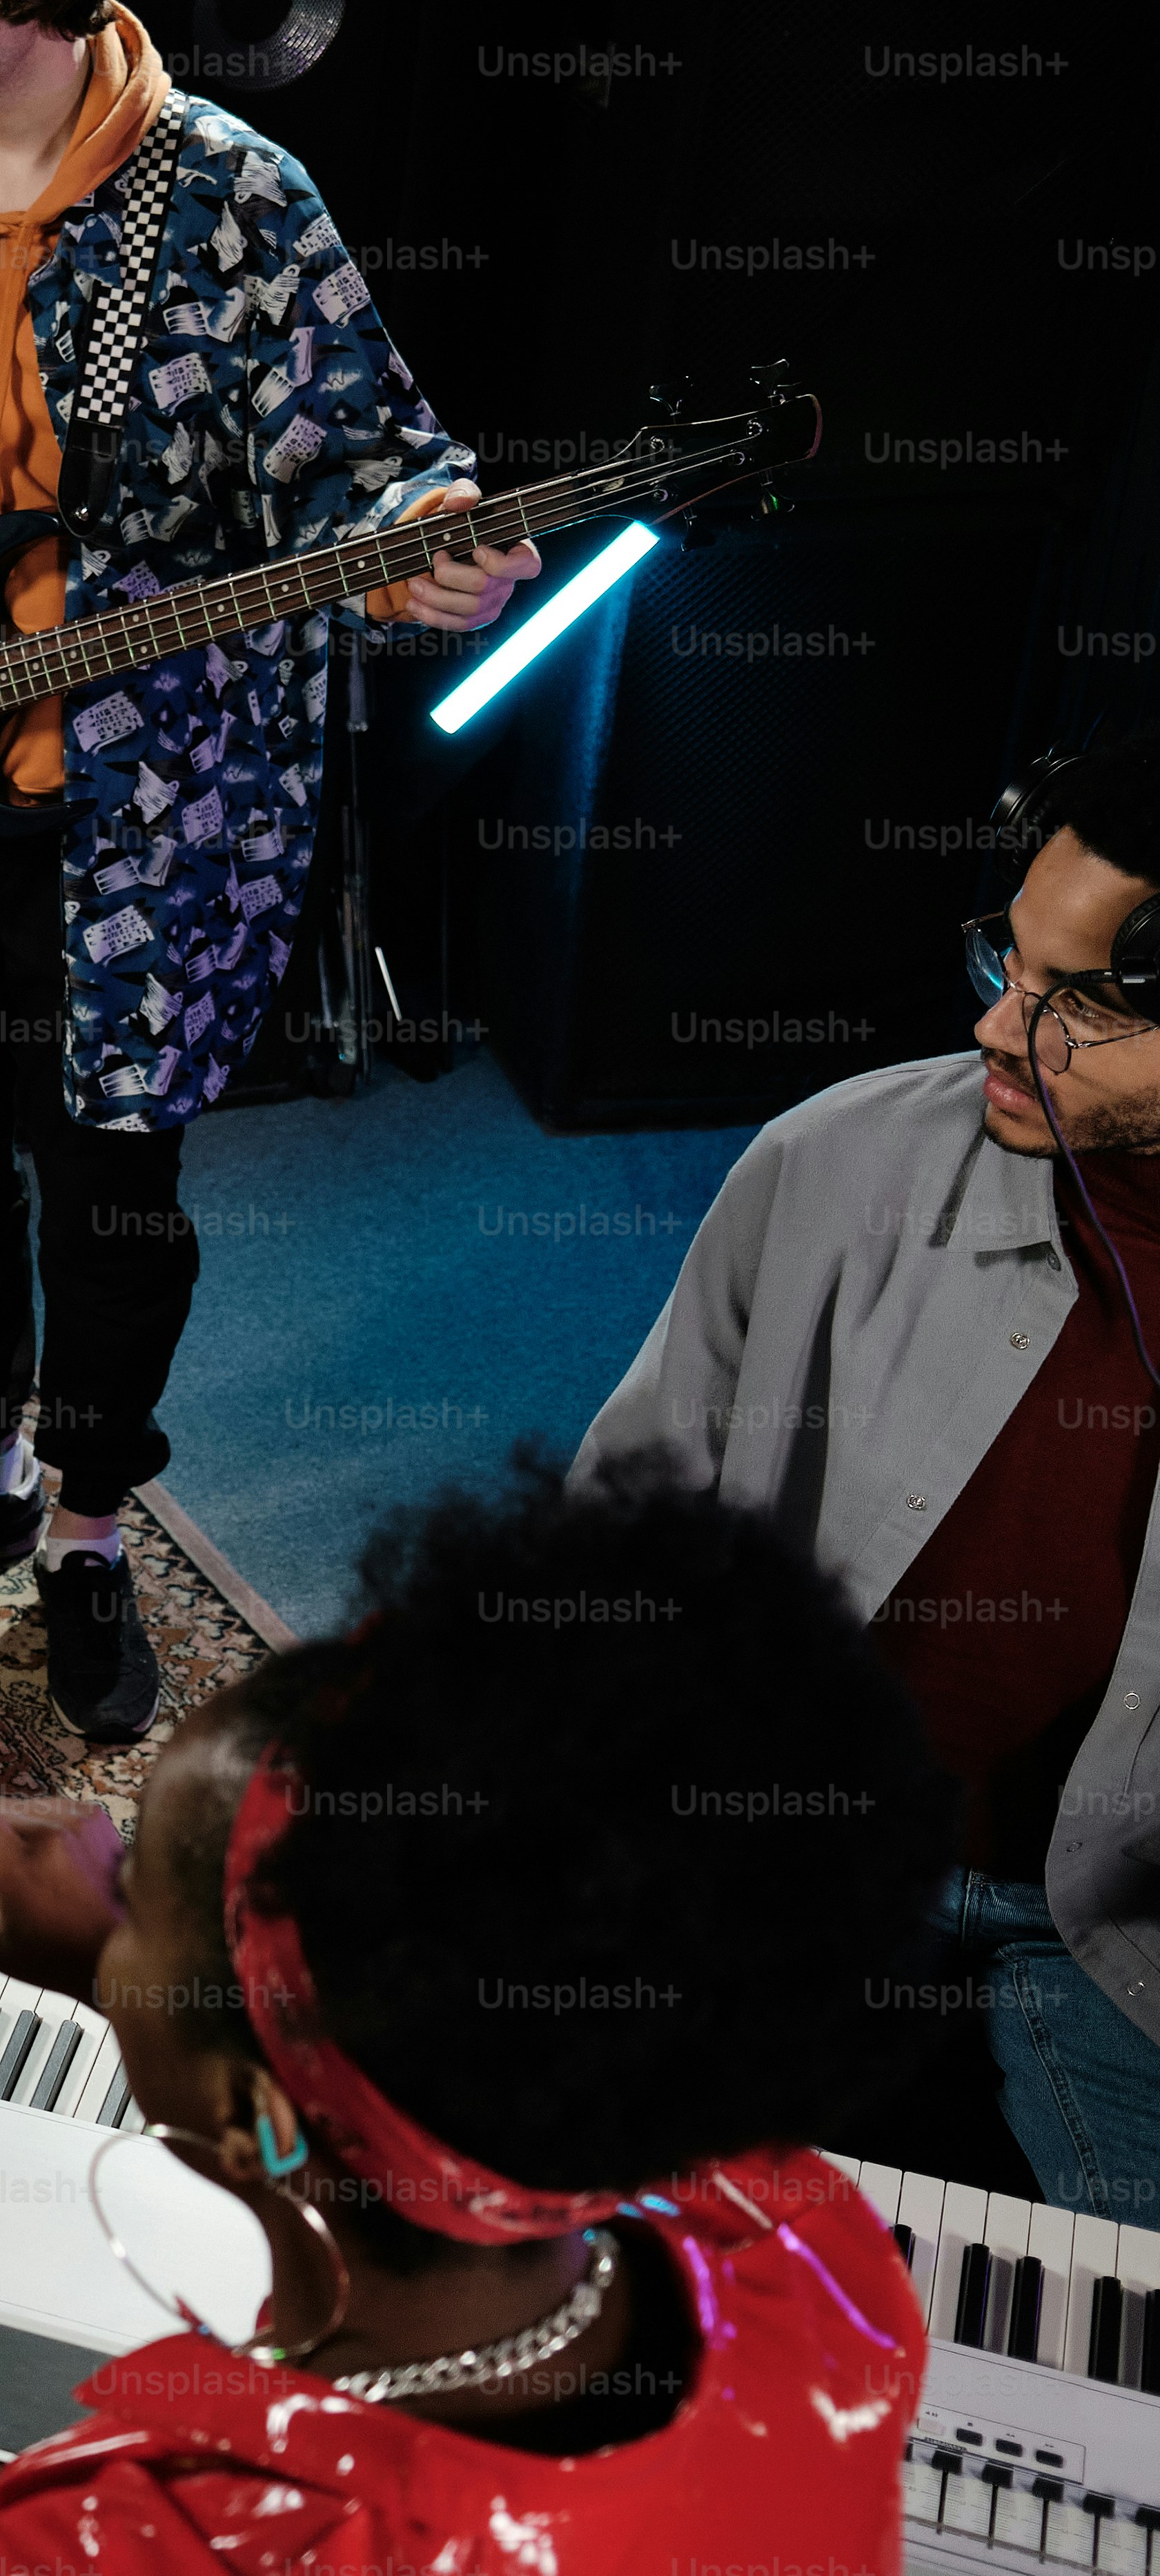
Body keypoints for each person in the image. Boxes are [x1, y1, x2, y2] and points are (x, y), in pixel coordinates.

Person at [0, 1462, 950, 2570]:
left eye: (142, 1884)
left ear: (255, 2110)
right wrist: (137, 1971)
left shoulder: (158, 2539)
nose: (90, 1848)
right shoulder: (803, 2253)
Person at [0, 0, 540, 1740]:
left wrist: (424, 562)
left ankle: (85, 1531)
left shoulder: (228, 198)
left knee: (116, 1197)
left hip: (147, 817)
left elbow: (372, 476)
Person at [579, 732, 1160, 2210]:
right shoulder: (833, 1161)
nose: (999, 1032)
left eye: (1078, 1003)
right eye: (1007, 969)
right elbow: (620, 1529)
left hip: (1127, 1938)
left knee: (1110, 2401)